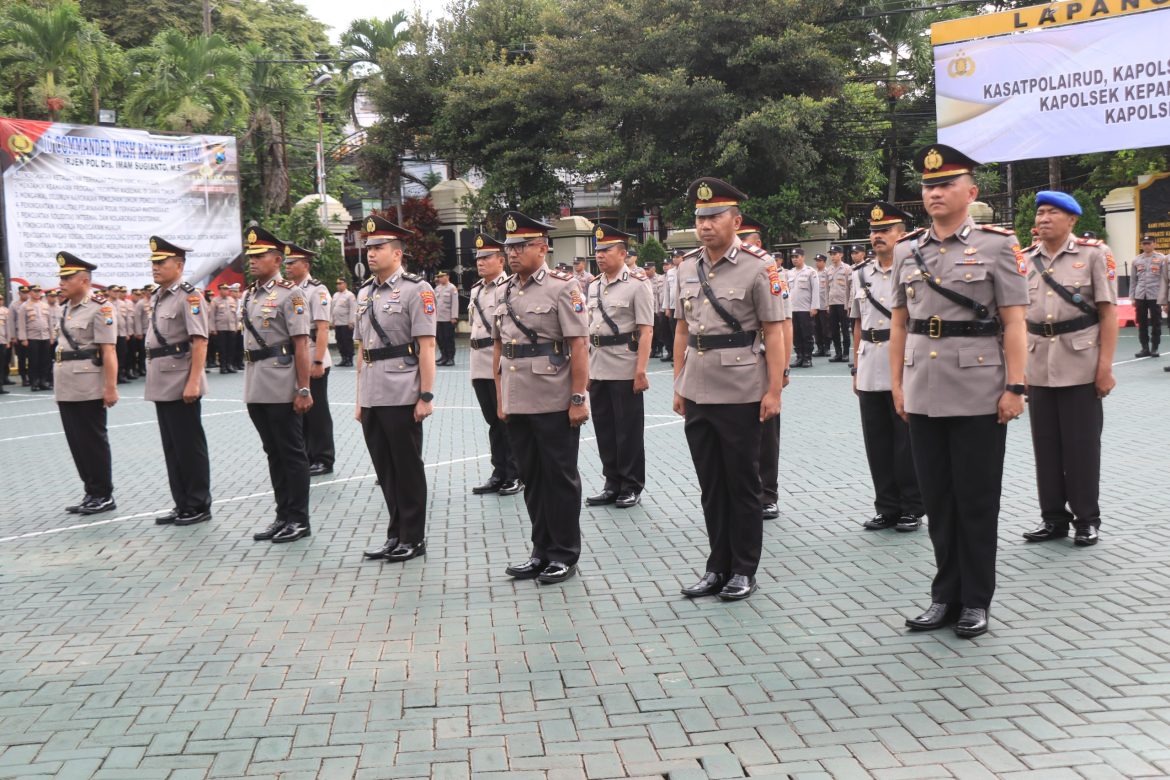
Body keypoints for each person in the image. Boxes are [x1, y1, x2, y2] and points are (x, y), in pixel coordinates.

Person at [890, 144, 1029, 639]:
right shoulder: (906, 250)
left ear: (971, 192)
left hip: (978, 390)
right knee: (938, 500)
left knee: (975, 499)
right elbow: (900, 324)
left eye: (946, 184)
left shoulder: (998, 246)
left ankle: (975, 600)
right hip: (923, 390)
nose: (935, 193)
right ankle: (945, 595)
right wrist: (897, 385)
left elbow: (1015, 322)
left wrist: (1015, 386)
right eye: (929, 186)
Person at [673, 178, 785, 601]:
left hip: (741, 388)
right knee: (711, 484)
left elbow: (774, 331)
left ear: (736, 221)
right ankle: (716, 566)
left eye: (714, 217)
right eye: (700, 218)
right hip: (698, 386)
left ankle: (743, 569)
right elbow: (682, 330)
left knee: (742, 483)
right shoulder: (687, 267)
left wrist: (773, 390)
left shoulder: (759, 266)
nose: (705, 225)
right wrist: (679, 383)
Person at [493, 211, 589, 585]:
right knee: (532, 478)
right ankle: (540, 551)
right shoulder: (505, 290)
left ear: (542, 248)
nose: (513, 253)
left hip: (553, 398)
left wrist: (578, 397)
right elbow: (500, 349)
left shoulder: (563, 287)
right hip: (518, 398)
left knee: (559, 478)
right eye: (510, 247)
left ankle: (564, 554)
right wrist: (501, 398)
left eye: (521, 246)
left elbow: (578, 345)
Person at [1019, 192, 1118, 547]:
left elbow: (1108, 314)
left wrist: (1104, 368)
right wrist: (1019, 369)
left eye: (1052, 213)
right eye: (1040, 213)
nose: (1044, 218)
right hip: (1037, 364)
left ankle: (1086, 520)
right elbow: (1017, 319)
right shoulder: (1024, 259)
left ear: (1072, 219)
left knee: (1081, 448)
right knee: (1045, 447)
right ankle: (1053, 519)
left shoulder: (1094, 254)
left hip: (1080, 364)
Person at [355, 215, 435, 562]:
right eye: (369, 248)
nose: (371, 253)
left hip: (402, 391)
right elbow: (362, 350)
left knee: (407, 468)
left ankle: (413, 538)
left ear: (398, 253)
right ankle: (395, 534)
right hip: (373, 393)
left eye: (379, 247)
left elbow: (427, 347)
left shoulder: (417, 289)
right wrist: (359, 400)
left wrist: (426, 395)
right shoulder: (364, 293)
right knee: (385, 470)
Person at [851, 201, 924, 532]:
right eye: (874, 231)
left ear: (901, 234)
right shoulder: (861, 274)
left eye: (884, 230)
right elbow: (856, 323)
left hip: (905, 363)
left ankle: (912, 507)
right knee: (877, 442)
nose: (877, 236)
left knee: (906, 441)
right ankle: (887, 507)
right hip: (869, 363)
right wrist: (855, 367)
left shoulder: (913, 270)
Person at [240, 226, 314, 544]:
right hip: (256, 383)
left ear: (277, 259)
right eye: (251, 256)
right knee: (273, 453)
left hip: (282, 384)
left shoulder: (290, 294)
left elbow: (301, 344)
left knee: (291, 453)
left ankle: (298, 519)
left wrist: (303, 388)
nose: (253, 260)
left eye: (259, 255)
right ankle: (282, 515)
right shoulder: (249, 295)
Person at [143, 237, 213, 527]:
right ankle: (182, 503)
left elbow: (199, 341)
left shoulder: (190, 296)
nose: (155, 267)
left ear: (180, 266)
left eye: (161, 262)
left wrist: (194, 382)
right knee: (172, 447)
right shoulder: (158, 296)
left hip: (182, 379)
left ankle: (198, 503)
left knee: (189, 446)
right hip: (161, 379)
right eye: (154, 263)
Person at [585, 224, 654, 509]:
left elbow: (646, 330)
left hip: (625, 366)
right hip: (598, 365)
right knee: (604, 429)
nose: (600, 255)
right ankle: (611, 483)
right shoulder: (593, 286)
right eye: (598, 250)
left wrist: (641, 370)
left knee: (628, 431)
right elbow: (589, 329)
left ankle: (631, 485)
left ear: (623, 253)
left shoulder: (637, 284)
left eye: (606, 250)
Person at [53, 252, 119, 514]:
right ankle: (91, 492)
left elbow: (108, 350)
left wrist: (110, 387)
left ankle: (103, 494)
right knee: (77, 443)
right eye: (61, 277)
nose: (61, 282)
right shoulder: (65, 308)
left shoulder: (100, 307)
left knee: (92, 441)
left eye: (67, 278)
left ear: (84, 280)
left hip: (89, 384)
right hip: (65, 384)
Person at [467, 232, 522, 497]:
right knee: (492, 421)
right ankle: (499, 472)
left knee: (507, 420)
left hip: (499, 360)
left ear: (501, 260)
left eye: (487, 257)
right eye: (478, 258)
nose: (480, 262)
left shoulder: (509, 287)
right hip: (479, 361)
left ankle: (515, 474)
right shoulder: (476, 289)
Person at [282, 242, 336, 477]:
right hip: (296, 356)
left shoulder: (317, 290)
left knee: (317, 411)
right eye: (286, 263)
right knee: (299, 410)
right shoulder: (287, 290)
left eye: (292, 263)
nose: (287, 267)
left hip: (314, 354)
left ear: (305, 265)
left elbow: (322, 328)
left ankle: (323, 458)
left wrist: (318, 361)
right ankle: (305, 455)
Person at [1130, 235, 1165, 358]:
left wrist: (1164, 297)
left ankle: (1154, 348)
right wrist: (1132, 297)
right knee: (1142, 322)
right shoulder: (1136, 260)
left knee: (1156, 322)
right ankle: (1144, 348)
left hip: (1155, 295)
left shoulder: (1162, 259)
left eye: (1149, 243)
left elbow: (1165, 279)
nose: (1146, 246)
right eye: (1144, 243)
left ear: (1154, 244)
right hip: (1140, 295)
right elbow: (1133, 280)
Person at [786, 248, 820, 368]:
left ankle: (807, 358)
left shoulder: (810, 272)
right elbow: (787, 291)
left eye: (797, 257)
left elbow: (815, 290)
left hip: (806, 309)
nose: (794, 259)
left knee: (807, 334)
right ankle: (799, 356)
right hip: (792, 309)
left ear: (803, 257)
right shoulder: (790, 273)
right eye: (793, 257)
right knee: (796, 335)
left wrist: (814, 307)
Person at [18, 284, 53, 391]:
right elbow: (21, 324)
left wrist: (52, 336)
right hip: (32, 337)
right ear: (29, 293)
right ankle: (34, 382)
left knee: (45, 361)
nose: (37, 293)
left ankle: (43, 381)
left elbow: (50, 322)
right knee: (33, 361)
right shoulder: (24, 306)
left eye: (39, 291)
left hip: (45, 337)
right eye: (35, 291)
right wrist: (23, 338)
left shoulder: (45, 305)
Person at [825, 245, 853, 362]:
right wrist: (827, 304)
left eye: (834, 254)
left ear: (841, 254)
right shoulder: (829, 270)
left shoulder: (847, 268)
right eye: (831, 254)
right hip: (832, 303)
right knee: (834, 329)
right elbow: (827, 289)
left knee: (845, 329)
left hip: (843, 304)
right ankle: (838, 353)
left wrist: (849, 304)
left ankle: (845, 353)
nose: (832, 256)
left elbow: (851, 288)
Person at [433, 270, 459, 366]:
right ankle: (443, 356)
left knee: (448, 339)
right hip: (438, 318)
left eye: (442, 276)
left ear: (447, 277)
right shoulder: (437, 288)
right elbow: (435, 303)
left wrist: (454, 317)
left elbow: (455, 303)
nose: (439, 278)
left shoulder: (452, 288)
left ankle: (450, 358)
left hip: (448, 319)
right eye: (439, 277)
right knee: (440, 339)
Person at [211, 284, 238, 373]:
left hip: (231, 328)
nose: (226, 291)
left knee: (231, 348)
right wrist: (213, 328)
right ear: (220, 290)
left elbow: (235, 315)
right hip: (220, 328)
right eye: (224, 289)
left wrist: (236, 326)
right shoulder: (215, 301)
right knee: (222, 349)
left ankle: (229, 365)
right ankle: (223, 366)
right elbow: (212, 316)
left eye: (227, 289)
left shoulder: (231, 300)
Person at [331, 276, 357, 366]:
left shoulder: (350, 295)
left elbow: (353, 309)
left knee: (347, 341)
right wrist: (332, 321)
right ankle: (343, 358)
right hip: (337, 323)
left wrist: (351, 322)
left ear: (345, 284)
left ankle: (350, 359)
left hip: (346, 323)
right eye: (337, 284)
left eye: (340, 283)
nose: (338, 285)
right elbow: (333, 308)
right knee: (339, 341)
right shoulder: (335, 295)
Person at [813, 252, 831, 356]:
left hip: (824, 305)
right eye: (816, 261)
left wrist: (829, 305)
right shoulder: (813, 273)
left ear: (824, 262)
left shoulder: (828, 272)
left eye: (819, 261)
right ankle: (819, 348)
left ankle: (827, 348)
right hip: (815, 306)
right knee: (816, 328)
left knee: (826, 328)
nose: (817, 263)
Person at [11, 285, 29, 386]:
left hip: (31, 335)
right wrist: (13, 336)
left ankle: (32, 377)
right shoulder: (14, 305)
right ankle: (23, 378)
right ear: (19, 293)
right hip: (19, 336)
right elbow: (11, 322)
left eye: (27, 292)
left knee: (32, 358)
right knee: (21, 358)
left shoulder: (31, 304)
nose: (25, 294)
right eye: (23, 293)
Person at [0, 292, 9, 394]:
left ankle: (0, 386)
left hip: (2, 341)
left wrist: (8, 340)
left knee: (1, 364)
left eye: (1, 299)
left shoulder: (5, 311)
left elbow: (8, 327)